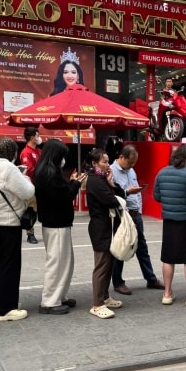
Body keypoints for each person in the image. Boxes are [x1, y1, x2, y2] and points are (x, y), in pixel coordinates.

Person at [0, 138, 35, 321]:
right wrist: (24, 177)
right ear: (11, 152)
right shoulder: (8, 168)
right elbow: (28, 192)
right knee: (9, 266)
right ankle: (7, 308)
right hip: (8, 223)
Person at [34, 140, 86, 315]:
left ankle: (60, 295)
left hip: (56, 222)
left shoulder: (47, 170)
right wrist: (75, 184)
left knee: (64, 262)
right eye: (62, 156)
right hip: (55, 222)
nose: (64, 159)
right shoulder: (49, 173)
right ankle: (49, 301)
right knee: (57, 263)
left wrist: (72, 183)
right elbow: (64, 196)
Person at [154, 145, 186, 307]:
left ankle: (167, 293)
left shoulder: (162, 173)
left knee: (168, 257)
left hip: (169, 222)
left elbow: (157, 196)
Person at [111, 145, 164, 295]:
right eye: (130, 162)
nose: (132, 166)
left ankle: (150, 278)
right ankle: (117, 282)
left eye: (134, 163)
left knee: (142, 247)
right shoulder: (112, 171)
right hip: (123, 215)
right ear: (121, 157)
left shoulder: (131, 170)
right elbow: (112, 195)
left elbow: (137, 193)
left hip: (135, 214)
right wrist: (128, 192)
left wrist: (139, 211)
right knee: (121, 247)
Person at [85, 149, 126, 319]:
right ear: (94, 163)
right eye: (104, 162)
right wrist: (111, 189)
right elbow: (111, 200)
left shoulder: (102, 179)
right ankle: (97, 304)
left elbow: (120, 194)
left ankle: (105, 297)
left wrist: (111, 183)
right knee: (101, 265)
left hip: (108, 227)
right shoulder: (94, 181)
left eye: (108, 161)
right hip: (100, 228)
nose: (108, 165)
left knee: (109, 263)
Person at [20, 127, 41, 244]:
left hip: (41, 185)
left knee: (38, 210)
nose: (39, 138)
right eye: (38, 135)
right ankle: (30, 233)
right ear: (32, 137)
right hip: (31, 185)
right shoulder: (26, 153)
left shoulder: (38, 151)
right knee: (31, 210)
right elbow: (29, 170)